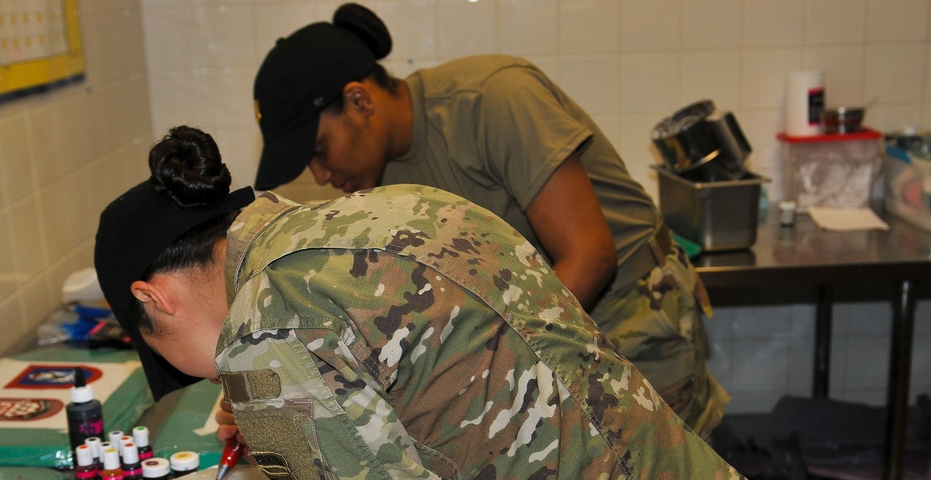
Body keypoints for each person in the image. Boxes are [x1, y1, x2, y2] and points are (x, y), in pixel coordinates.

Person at [94, 125, 785, 480]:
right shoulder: (384, 210)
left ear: (152, 299)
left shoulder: (263, 335)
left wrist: (294, 467)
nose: (206, 376)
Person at [251, 3, 730, 438]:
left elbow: (590, 257)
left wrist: (478, 370)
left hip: (629, 307)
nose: (320, 174)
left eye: (319, 150)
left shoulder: (492, 98)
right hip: (542, 326)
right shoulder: (379, 176)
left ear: (359, 101)